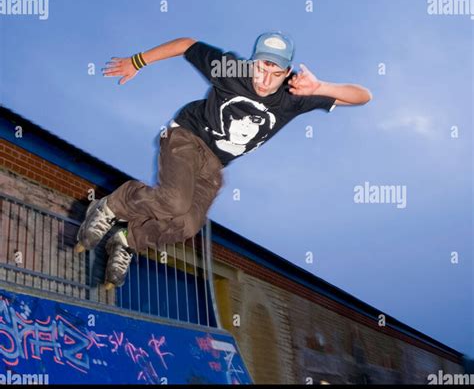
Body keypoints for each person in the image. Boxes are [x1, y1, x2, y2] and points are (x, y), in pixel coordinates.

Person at [75, 32, 372, 289]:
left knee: (188, 225)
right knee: (175, 201)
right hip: (187, 137)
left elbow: (363, 96)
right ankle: (111, 205)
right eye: (260, 69)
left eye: (275, 73)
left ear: (288, 72)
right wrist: (138, 61)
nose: (264, 80)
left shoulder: (296, 92)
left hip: (214, 165)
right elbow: (187, 45)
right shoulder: (231, 68)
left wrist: (320, 87)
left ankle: (128, 240)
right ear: (253, 61)